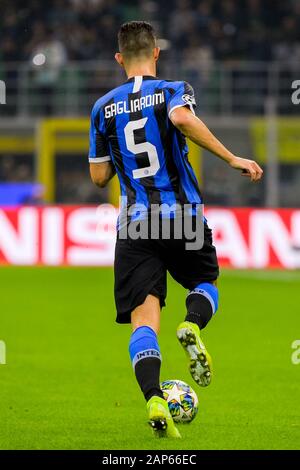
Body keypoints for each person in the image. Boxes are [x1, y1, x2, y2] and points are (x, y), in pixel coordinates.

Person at [89, 21, 263, 438]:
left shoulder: (101, 108)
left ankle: (153, 396)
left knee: (144, 322)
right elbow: (182, 120)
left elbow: (98, 178)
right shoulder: (171, 89)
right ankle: (193, 325)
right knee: (206, 281)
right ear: (156, 54)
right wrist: (231, 157)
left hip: (133, 225)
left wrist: (119, 151)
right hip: (181, 214)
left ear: (119, 59)